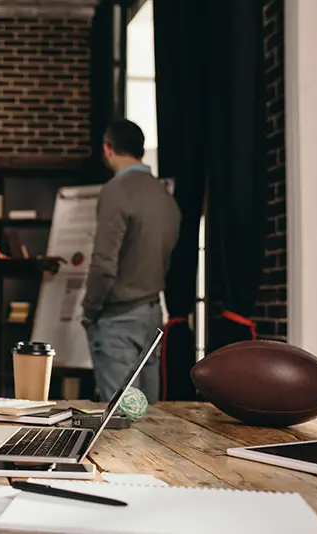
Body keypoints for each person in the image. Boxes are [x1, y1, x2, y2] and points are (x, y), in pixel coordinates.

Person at [81, 119, 181, 403]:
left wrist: (89, 311)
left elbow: (103, 263)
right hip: (152, 312)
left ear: (107, 149)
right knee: (148, 415)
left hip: (118, 317)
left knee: (120, 419)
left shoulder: (116, 190)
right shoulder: (163, 193)